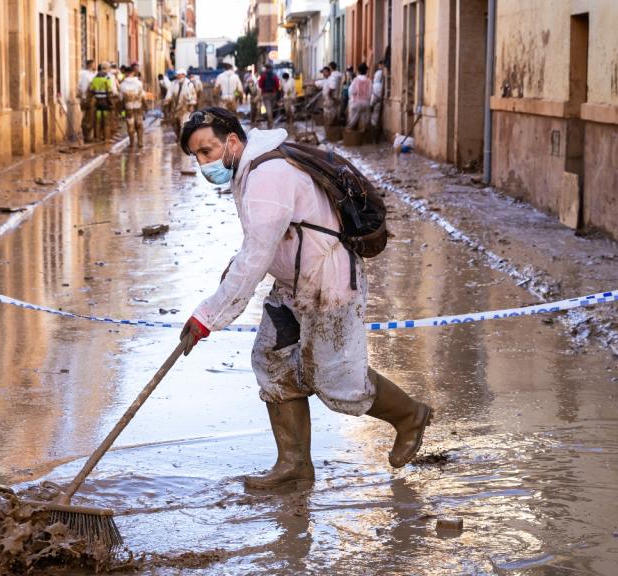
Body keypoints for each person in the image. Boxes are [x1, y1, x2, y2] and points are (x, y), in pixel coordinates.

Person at [177, 107, 434, 489]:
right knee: (272, 360)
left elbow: (256, 256)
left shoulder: (267, 176)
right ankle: (294, 464)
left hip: (326, 285)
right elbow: (266, 240)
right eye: (197, 155)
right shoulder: (247, 170)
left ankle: (410, 415)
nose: (203, 163)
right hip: (291, 286)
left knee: (337, 383)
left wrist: (207, 317)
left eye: (207, 152)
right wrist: (235, 268)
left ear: (232, 141)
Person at [165, 69, 197, 173]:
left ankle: (183, 141)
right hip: (175, 108)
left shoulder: (189, 84)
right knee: (174, 124)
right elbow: (169, 94)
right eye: (177, 75)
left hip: (185, 108)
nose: (178, 76)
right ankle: (178, 136)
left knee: (184, 125)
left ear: (184, 75)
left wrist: (192, 104)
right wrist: (167, 100)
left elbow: (193, 95)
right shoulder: (173, 84)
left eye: (180, 74)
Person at [119, 69, 145, 148]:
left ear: (126, 73)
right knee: (139, 125)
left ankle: (132, 143)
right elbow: (143, 96)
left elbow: (120, 98)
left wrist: (120, 108)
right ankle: (140, 142)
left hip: (128, 108)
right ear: (133, 73)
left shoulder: (122, 85)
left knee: (130, 125)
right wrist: (145, 106)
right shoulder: (139, 83)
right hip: (138, 107)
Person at [88, 65, 114, 141]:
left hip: (97, 102)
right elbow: (109, 91)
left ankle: (97, 137)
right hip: (105, 102)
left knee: (98, 120)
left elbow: (91, 90)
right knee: (106, 120)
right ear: (105, 69)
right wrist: (111, 103)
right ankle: (106, 137)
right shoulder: (107, 78)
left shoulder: (94, 79)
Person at [347, 62, 373, 130]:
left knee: (352, 122)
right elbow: (370, 93)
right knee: (365, 123)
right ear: (366, 71)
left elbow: (351, 91)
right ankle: (364, 138)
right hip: (366, 103)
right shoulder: (369, 81)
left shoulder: (355, 80)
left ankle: (352, 137)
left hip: (356, 102)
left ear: (358, 71)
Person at [257, 64, 281, 129]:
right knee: (272, 108)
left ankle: (270, 122)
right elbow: (277, 84)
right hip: (273, 94)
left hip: (265, 94)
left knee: (268, 109)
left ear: (266, 68)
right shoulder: (274, 75)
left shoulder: (263, 75)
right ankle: (270, 122)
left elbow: (260, 85)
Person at [79, 59, 97, 142]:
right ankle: (87, 136)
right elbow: (83, 87)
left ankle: (90, 135)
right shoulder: (85, 75)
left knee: (92, 117)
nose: (95, 65)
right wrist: (85, 97)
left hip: (92, 98)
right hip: (87, 98)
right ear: (90, 65)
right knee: (88, 117)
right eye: (93, 64)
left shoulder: (92, 74)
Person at [321, 63, 344, 127]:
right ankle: (333, 131)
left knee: (329, 115)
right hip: (337, 96)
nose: (324, 74)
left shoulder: (332, 76)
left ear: (330, 68)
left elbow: (332, 88)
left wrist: (330, 96)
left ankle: (330, 131)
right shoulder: (339, 74)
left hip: (331, 99)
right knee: (335, 114)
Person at [371, 63, 385, 133]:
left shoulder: (375, 85)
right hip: (379, 102)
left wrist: (372, 104)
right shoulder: (380, 85)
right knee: (376, 118)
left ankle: (373, 132)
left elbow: (373, 96)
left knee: (374, 119)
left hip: (375, 102)